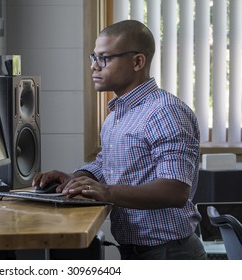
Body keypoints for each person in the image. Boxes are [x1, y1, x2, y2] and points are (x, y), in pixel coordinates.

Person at [32, 20, 207, 260]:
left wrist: (107, 192)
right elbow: (110, 162)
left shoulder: (166, 112)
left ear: (137, 62)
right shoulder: (119, 113)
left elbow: (175, 190)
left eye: (104, 58)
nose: (94, 66)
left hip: (169, 255)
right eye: (93, 57)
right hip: (139, 253)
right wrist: (78, 178)